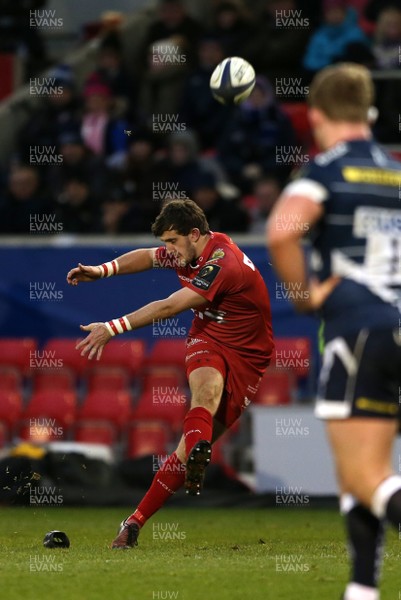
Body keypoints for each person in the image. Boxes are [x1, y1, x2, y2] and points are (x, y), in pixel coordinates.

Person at [67, 199, 274, 548]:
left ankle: (138, 517)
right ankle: (191, 458)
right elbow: (147, 257)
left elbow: (168, 306)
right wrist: (102, 270)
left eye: (173, 242)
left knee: (183, 450)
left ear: (194, 234)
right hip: (207, 338)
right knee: (205, 394)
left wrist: (111, 328)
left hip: (249, 357)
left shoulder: (223, 264)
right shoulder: (186, 249)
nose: (168, 250)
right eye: (166, 242)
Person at [266, 63, 401, 600]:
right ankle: (362, 590)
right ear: (368, 112)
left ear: (315, 114)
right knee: (360, 474)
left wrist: (304, 298)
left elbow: (282, 233)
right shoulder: (394, 171)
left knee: (365, 475)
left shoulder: (323, 171)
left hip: (360, 328)